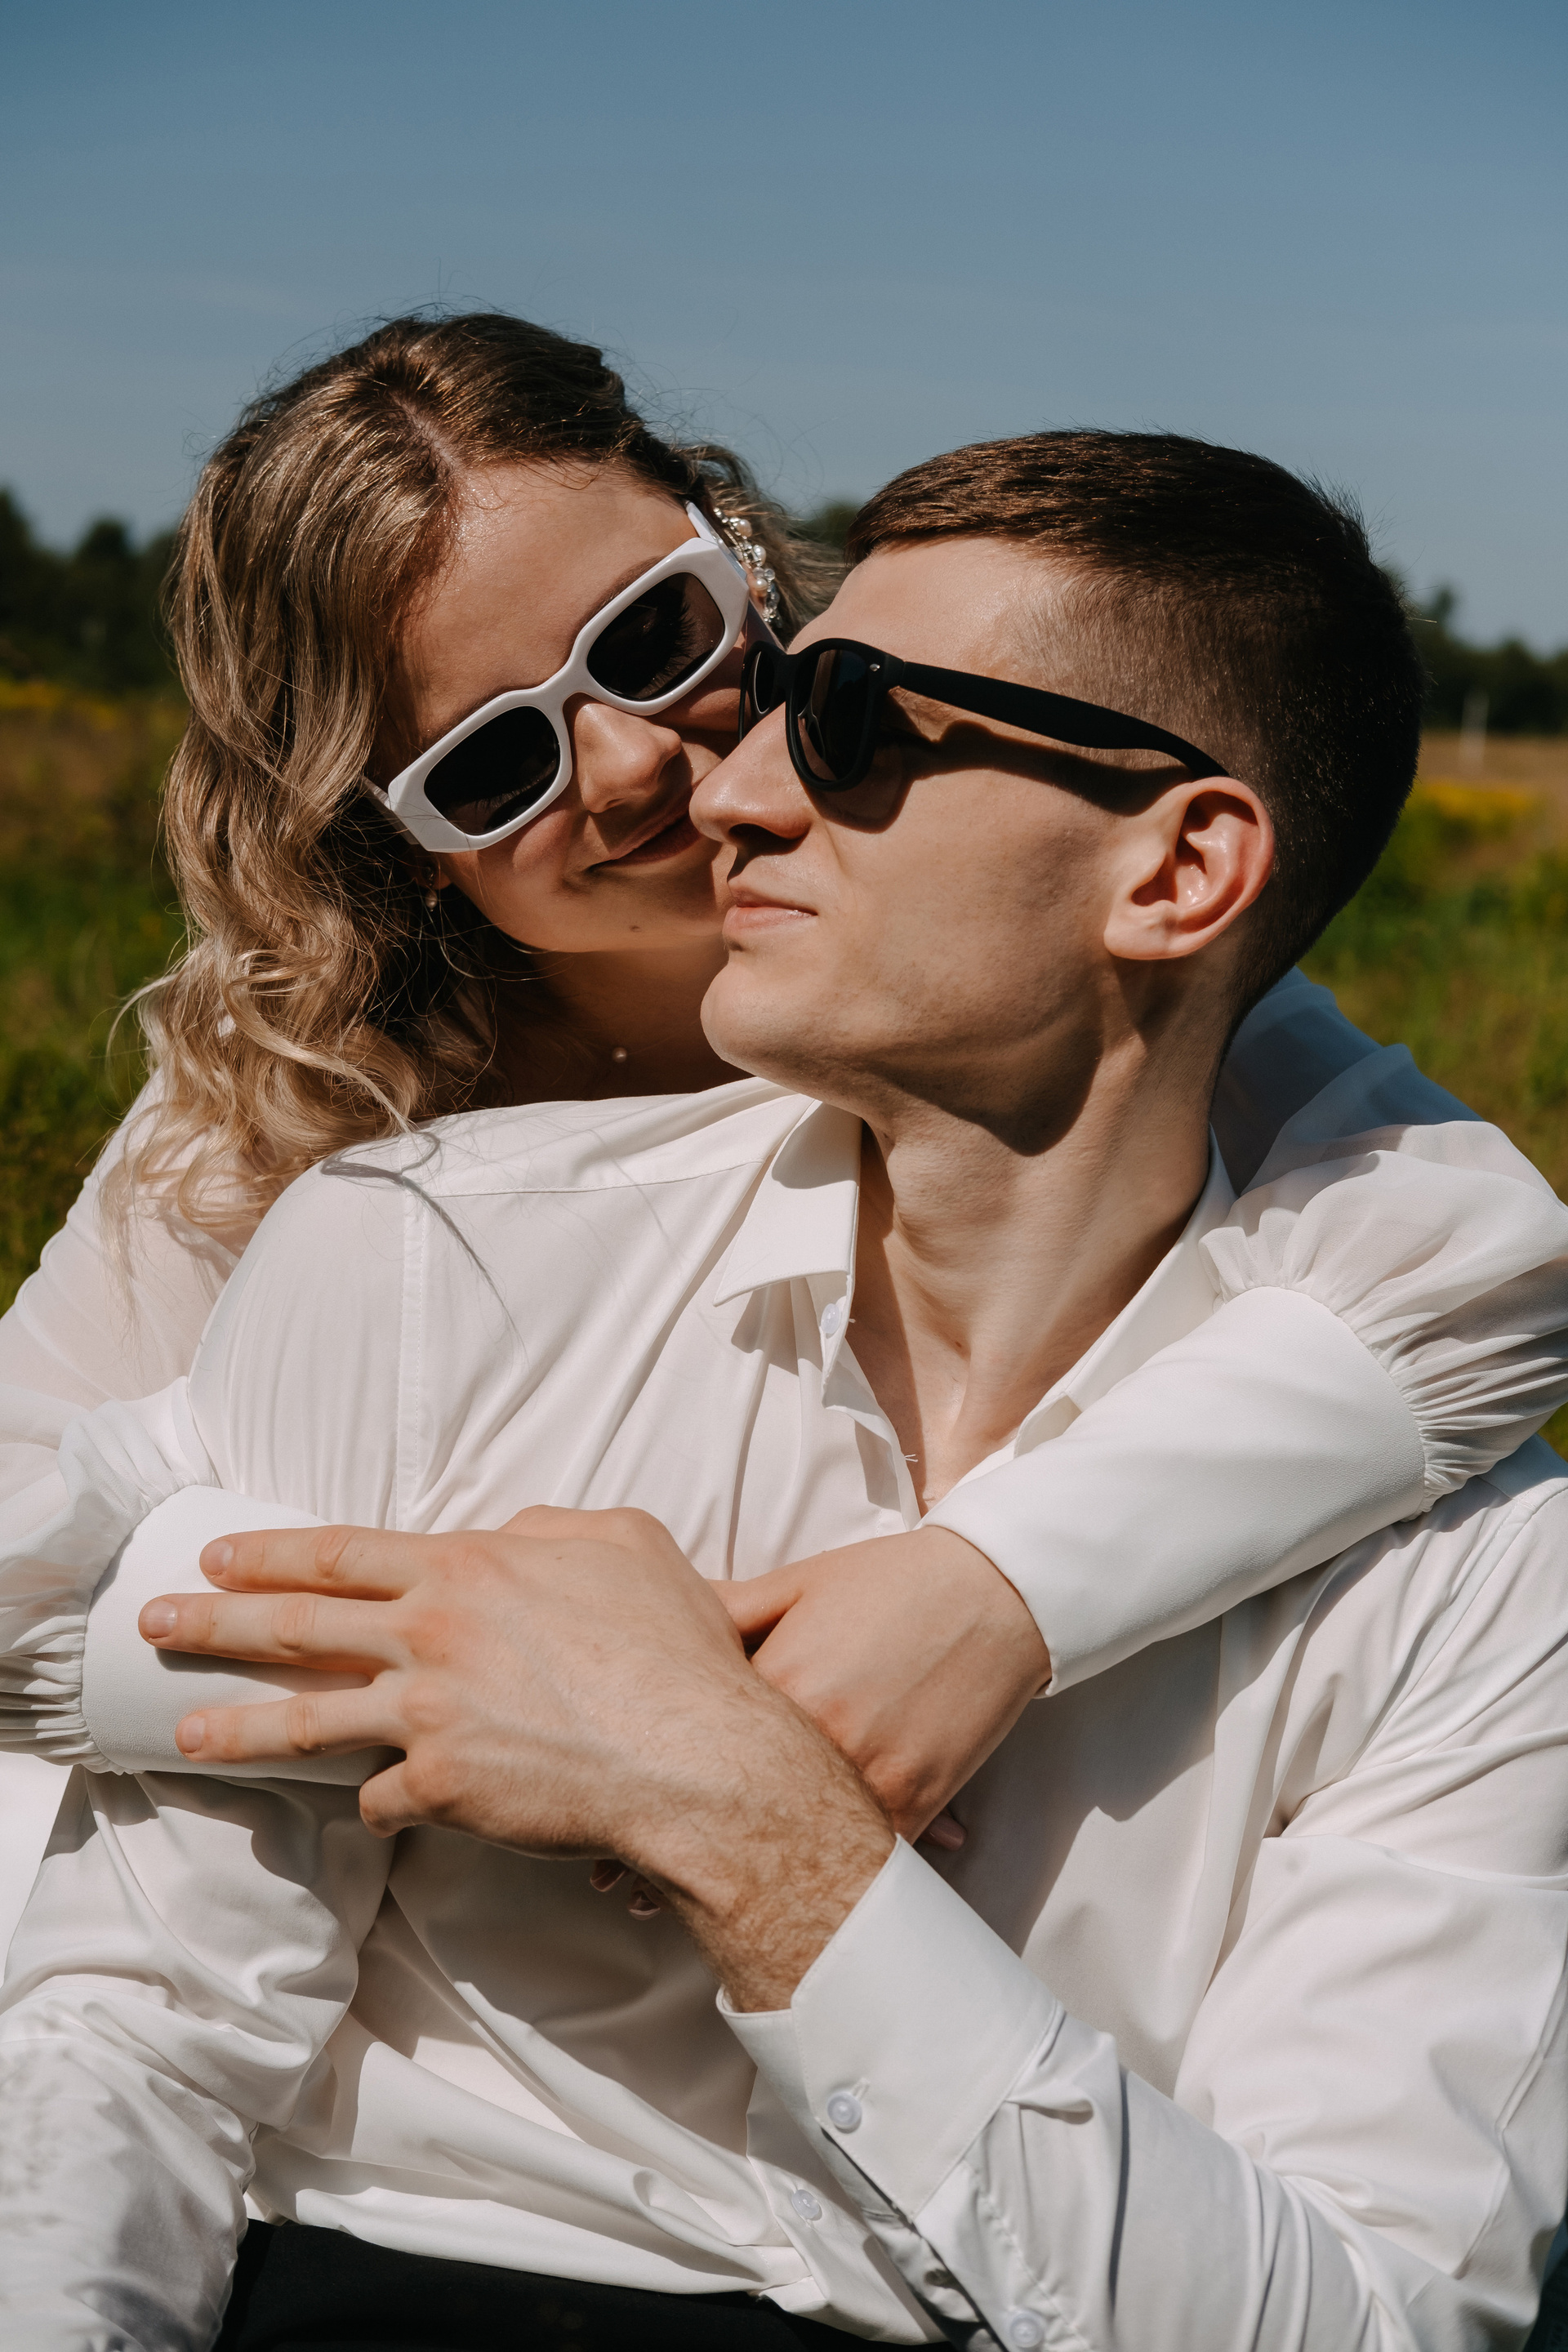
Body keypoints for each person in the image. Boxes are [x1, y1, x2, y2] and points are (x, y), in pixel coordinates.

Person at [5, 432, 1567, 2352]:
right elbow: (135, 2022)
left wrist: (769, 1797)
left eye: (834, 710)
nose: (702, 783)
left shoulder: (1466, 1537)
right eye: (489, 767)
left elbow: (1488, 1247)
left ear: (1181, 870)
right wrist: (451, 1656)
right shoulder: (387, 1236)